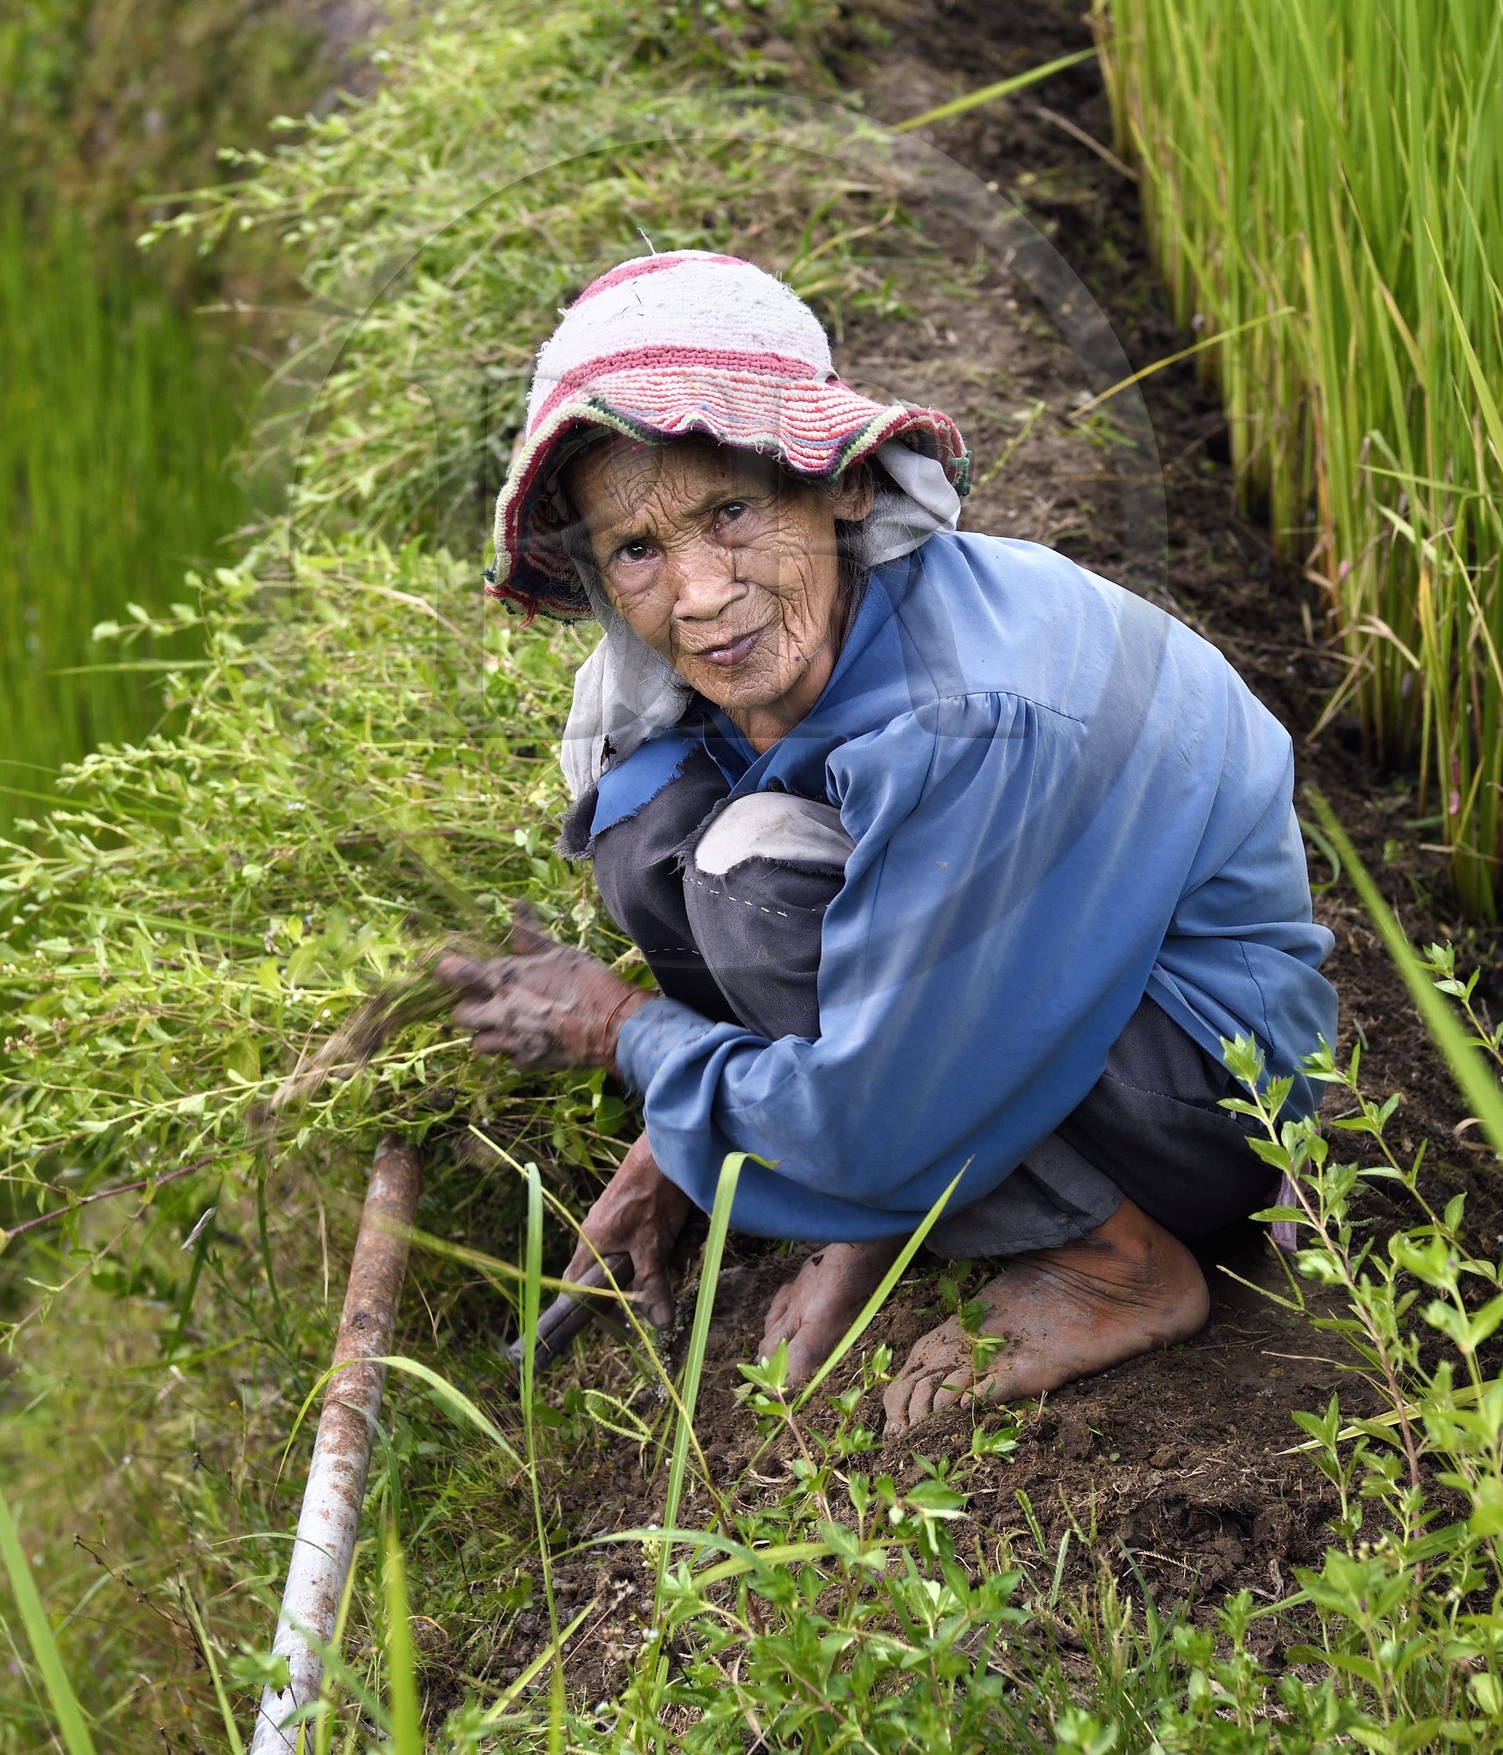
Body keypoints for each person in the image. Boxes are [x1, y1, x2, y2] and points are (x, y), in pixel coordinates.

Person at [438, 251, 1335, 1431]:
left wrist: (628, 1038)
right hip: (1021, 1009)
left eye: (733, 512)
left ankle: (1118, 1261)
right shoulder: (771, 659)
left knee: (750, 880)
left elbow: (870, 1096)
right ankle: (883, 1190)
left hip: (1195, 1101)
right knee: (653, 822)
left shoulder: (964, 722)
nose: (699, 596)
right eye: (639, 551)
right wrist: (673, 1145)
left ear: (843, 487)